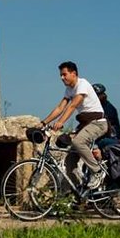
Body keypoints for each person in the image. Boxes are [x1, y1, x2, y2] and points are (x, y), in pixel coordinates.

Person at [40, 61, 109, 190]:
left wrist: (61, 122)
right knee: (70, 160)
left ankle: (97, 171)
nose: (62, 78)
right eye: (60, 75)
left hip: (97, 123)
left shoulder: (82, 84)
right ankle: (79, 191)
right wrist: (44, 122)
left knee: (78, 142)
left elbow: (73, 105)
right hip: (85, 125)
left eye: (64, 74)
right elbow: (60, 107)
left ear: (74, 74)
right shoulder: (69, 89)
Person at [92, 83, 120, 149]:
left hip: (112, 138)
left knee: (92, 144)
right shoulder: (97, 107)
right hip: (104, 137)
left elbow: (102, 126)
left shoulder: (108, 109)